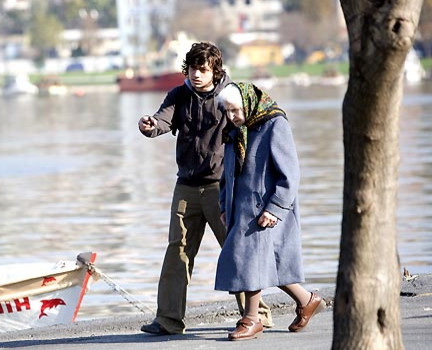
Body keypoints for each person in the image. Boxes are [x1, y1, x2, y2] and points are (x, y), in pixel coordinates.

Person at [137, 42, 272, 335]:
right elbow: (162, 120)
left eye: (203, 69)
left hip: (222, 188)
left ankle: (257, 315)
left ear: (215, 70)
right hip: (185, 186)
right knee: (178, 252)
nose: (196, 74)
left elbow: (251, 129)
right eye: (193, 68)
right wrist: (149, 125)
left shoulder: (230, 94)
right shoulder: (179, 94)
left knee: (236, 250)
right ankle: (168, 320)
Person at [215, 82, 325, 341]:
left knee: (248, 261)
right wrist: (223, 205)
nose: (231, 116)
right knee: (266, 263)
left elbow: (290, 174)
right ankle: (308, 300)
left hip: (264, 209)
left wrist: (275, 209)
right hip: (239, 208)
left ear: (248, 104)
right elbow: (226, 173)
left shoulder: (275, 124)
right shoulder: (236, 130)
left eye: (235, 110)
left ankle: (252, 319)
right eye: (227, 111)